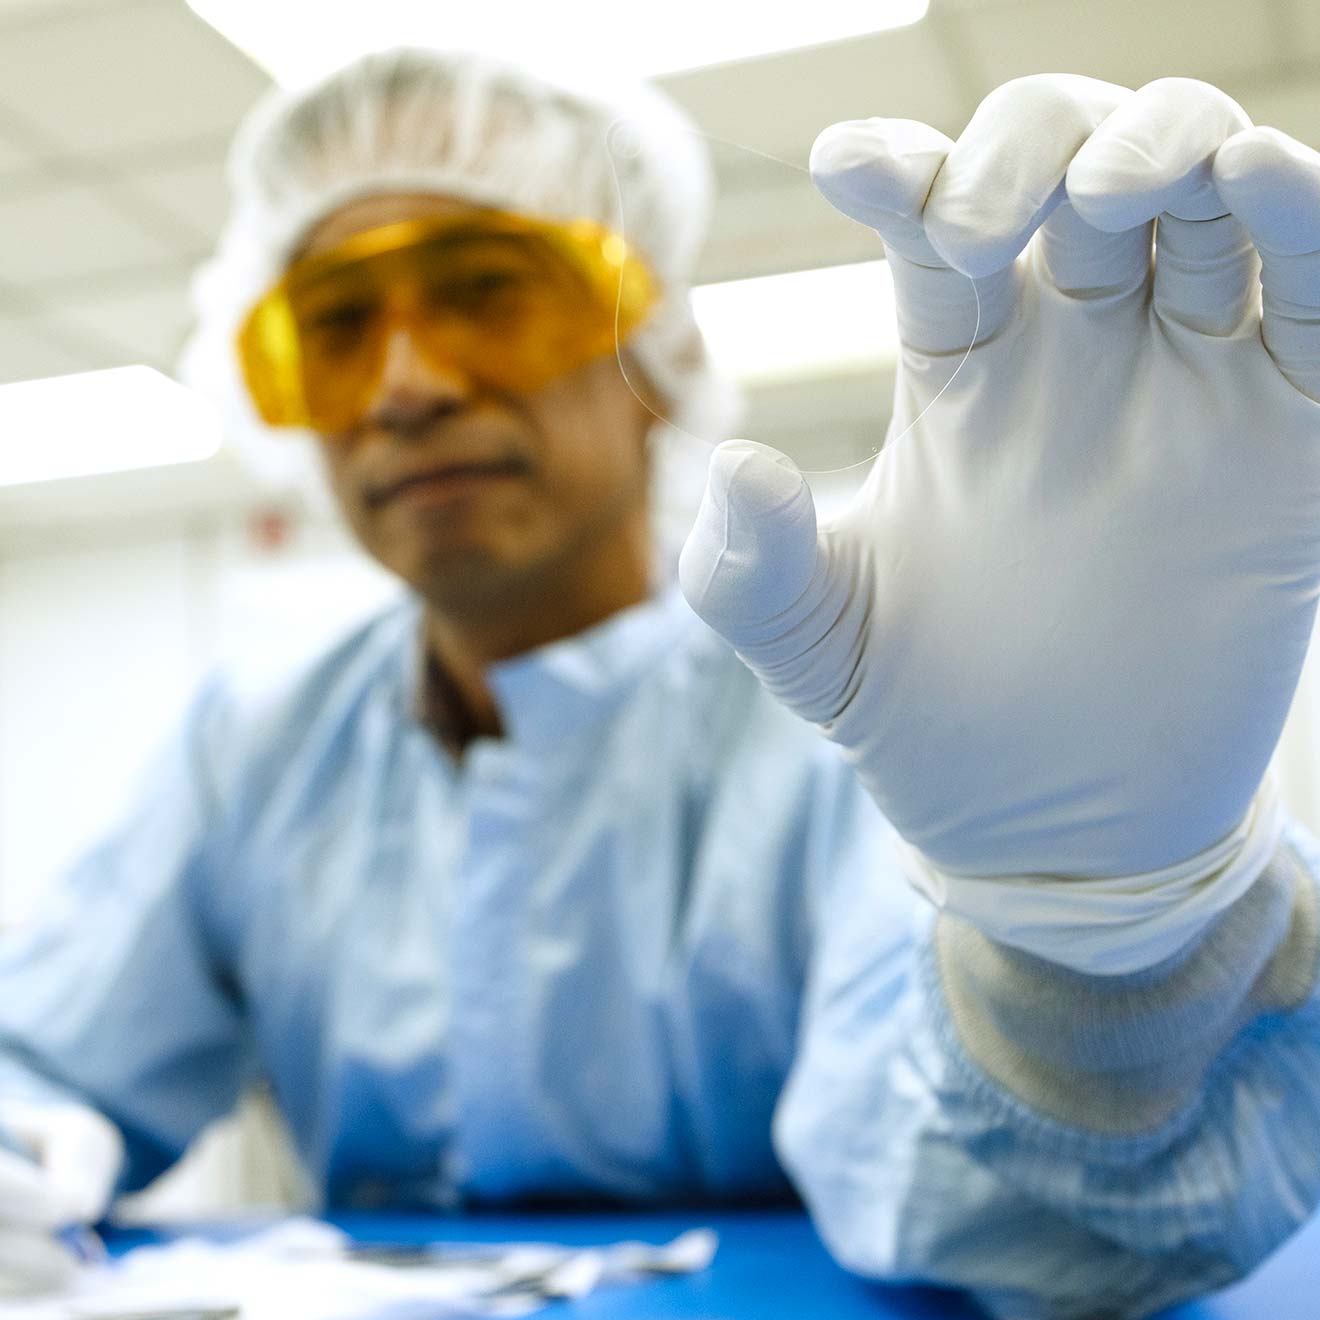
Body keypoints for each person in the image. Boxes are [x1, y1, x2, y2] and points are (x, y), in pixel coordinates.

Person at [1, 46, 1318, 1320]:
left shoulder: (854, 691)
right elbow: (47, 1062)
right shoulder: (257, 748)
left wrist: (1087, 941)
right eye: (336, 330)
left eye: (485, 292)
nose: (405, 386)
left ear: (650, 349)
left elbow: (1031, 1236)